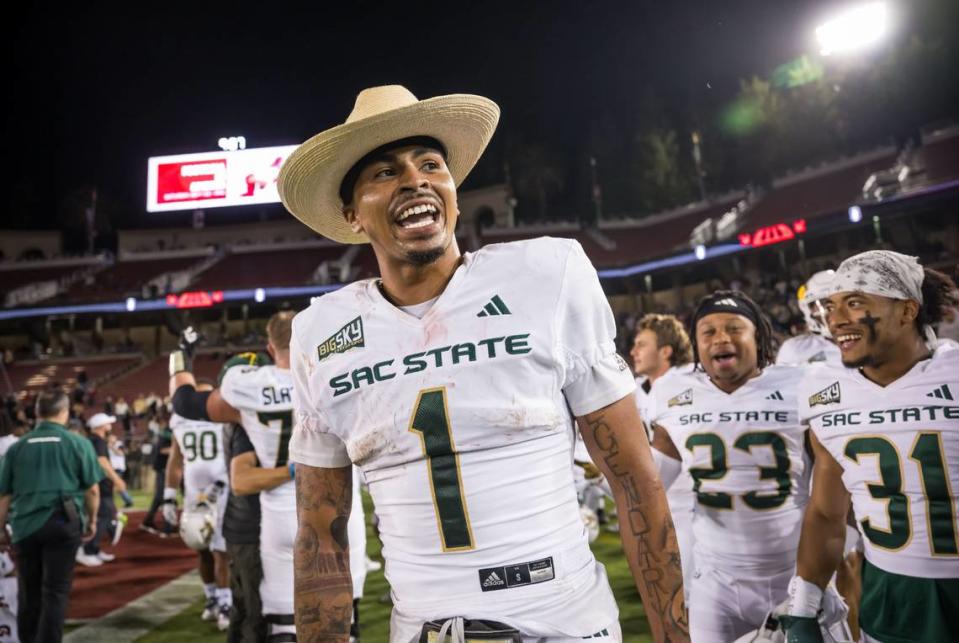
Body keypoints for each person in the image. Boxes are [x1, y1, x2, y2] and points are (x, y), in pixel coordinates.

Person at [277, 85, 686, 642]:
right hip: (423, 630)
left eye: (430, 164)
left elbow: (635, 481)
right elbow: (320, 533)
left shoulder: (548, 273)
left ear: (452, 191)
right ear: (352, 215)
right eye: (384, 172)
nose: (416, 179)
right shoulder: (320, 331)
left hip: (564, 624)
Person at [783, 251, 959, 643]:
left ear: (907, 310)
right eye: (831, 306)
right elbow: (828, 512)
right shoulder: (824, 389)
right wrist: (803, 605)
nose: (836, 318)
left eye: (855, 303)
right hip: (888, 596)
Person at [169, 314, 369, 641]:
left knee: (282, 624)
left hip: (280, 517)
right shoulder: (341, 376)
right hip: (340, 514)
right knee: (343, 618)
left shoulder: (248, 386)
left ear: (269, 346)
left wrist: (182, 356)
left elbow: (184, 401)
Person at [649, 291, 811, 641]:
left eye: (734, 328)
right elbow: (651, 480)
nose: (721, 338)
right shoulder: (673, 392)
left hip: (795, 572)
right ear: (695, 344)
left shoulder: (800, 383)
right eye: (708, 332)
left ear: (759, 337)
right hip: (716, 580)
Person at [0, 390, 102, 643]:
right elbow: (92, 490)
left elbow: (4, 496)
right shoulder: (78, 443)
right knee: (55, 592)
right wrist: (93, 520)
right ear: (65, 412)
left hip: (25, 526)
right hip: (62, 522)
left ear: (36, 413)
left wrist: (0, 529)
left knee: (29, 591)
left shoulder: (16, 448)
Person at [629, 314, 696, 595]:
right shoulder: (640, 391)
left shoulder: (692, 384)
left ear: (665, 351)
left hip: (693, 509)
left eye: (642, 344)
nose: (633, 351)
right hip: (662, 503)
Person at [163, 396, 233, 631]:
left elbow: (237, 451)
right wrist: (169, 495)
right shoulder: (180, 419)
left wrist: (224, 481)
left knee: (222, 551)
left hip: (223, 490)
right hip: (194, 493)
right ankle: (212, 597)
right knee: (200, 546)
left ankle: (226, 603)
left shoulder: (224, 412)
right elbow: (175, 459)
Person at [78, 413, 126, 566]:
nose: (109, 425)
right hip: (100, 485)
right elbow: (102, 462)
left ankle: (94, 548)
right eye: (107, 422)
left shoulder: (92, 440)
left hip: (95, 483)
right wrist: (117, 479)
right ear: (100, 426)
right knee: (104, 516)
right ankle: (88, 549)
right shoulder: (98, 441)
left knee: (104, 516)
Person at [776, 270, 842, 367]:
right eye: (823, 303)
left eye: (839, 300)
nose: (830, 309)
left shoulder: (868, 340)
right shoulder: (795, 350)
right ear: (807, 309)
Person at [142, 415, 174, 534]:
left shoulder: (166, 432)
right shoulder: (166, 433)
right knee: (165, 496)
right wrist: (179, 450)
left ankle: (148, 521)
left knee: (160, 497)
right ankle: (167, 526)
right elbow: (162, 450)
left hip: (165, 467)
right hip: (163, 467)